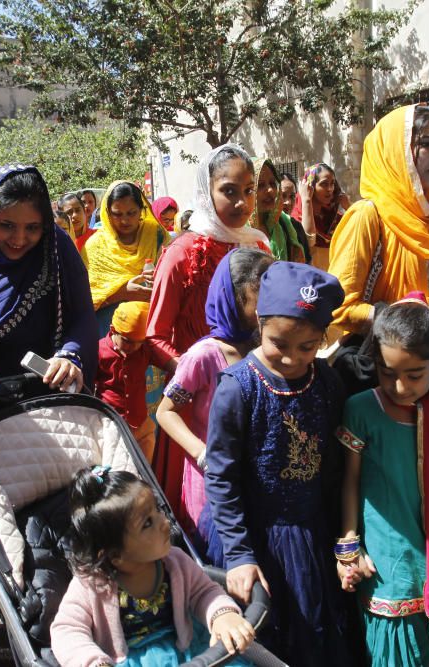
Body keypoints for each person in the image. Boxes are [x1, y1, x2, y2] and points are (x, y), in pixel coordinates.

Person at [202, 261, 350, 665]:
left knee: (311, 634)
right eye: (278, 344)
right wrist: (239, 555)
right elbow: (221, 476)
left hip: (309, 535)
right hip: (252, 537)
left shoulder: (327, 382)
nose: (291, 358)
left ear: (322, 338)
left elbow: (334, 469)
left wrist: (344, 535)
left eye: (307, 347)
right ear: (260, 324)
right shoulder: (238, 388)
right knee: (263, 639)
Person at [336, 298, 429, 666]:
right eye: (387, 373)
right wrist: (348, 546)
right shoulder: (362, 410)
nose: (399, 386)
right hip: (382, 562)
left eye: (414, 375)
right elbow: (349, 481)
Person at [146, 144, 268, 513]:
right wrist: (196, 374)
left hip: (255, 388)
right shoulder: (183, 252)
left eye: (248, 190)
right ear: (207, 190)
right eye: (229, 190)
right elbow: (154, 335)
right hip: (196, 405)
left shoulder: (258, 245)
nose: (242, 202)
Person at [0, 164, 98, 427]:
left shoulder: (55, 247)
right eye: (7, 225)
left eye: (33, 227)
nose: (19, 238)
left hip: (57, 402)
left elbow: (82, 315)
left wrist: (69, 356)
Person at [52, 467, 255, 667]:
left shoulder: (175, 562)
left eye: (157, 509)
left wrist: (222, 614)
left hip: (187, 645)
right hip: (131, 659)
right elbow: (67, 629)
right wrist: (92, 662)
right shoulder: (93, 584)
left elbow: (204, 592)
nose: (164, 522)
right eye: (147, 523)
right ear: (116, 556)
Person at [327, 104, 429, 347]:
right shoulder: (368, 216)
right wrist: (421, 323)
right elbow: (340, 307)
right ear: (394, 150)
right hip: (385, 374)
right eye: (426, 144)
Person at [156, 248, 274, 542]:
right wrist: (203, 454)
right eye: (261, 295)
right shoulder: (205, 355)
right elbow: (165, 412)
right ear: (235, 297)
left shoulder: (268, 349)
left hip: (255, 479)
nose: (269, 305)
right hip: (212, 484)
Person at [82, 181, 168, 335]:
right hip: (108, 335)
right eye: (117, 214)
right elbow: (84, 302)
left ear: (142, 210)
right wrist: (122, 293)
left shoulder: (156, 236)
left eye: (131, 213)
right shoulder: (95, 246)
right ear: (107, 213)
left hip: (150, 330)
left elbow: (172, 280)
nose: (125, 221)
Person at [96, 302, 177, 461]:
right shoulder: (98, 350)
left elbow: (169, 362)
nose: (133, 347)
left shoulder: (144, 349)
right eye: (127, 341)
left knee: (142, 474)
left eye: (139, 342)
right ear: (113, 330)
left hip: (141, 424)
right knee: (117, 471)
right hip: (111, 424)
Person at [250, 158, 308, 263]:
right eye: (261, 185)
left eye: (273, 183)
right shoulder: (238, 231)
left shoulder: (284, 224)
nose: (270, 190)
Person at [291, 163, 343, 271]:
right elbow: (309, 241)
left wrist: (348, 205)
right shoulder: (297, 216)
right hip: (311, 281)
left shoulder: (332, 217)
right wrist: (306, 200)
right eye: (324, 184)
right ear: (311, 186)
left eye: (332, 184)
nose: (330, 189)